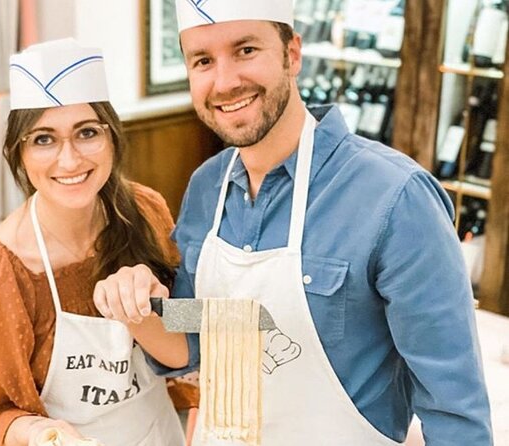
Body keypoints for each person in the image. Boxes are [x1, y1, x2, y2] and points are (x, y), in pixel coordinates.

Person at [92, 1, 493, 445]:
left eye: (245, 50)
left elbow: (455, 412)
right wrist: (139, 306)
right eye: (203, 60)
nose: (224, 82)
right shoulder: (208, 186)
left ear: (292, 54)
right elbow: (198, 334)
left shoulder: (396, 197)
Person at [0, 38, 187, 446]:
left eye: (86, 133)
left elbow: (194, 330)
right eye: (44, 139)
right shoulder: (1, 271)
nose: (69, 160)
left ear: (113, 138)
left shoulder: (147, 211)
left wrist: (155, 309)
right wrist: (39, 432)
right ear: (19, 153)